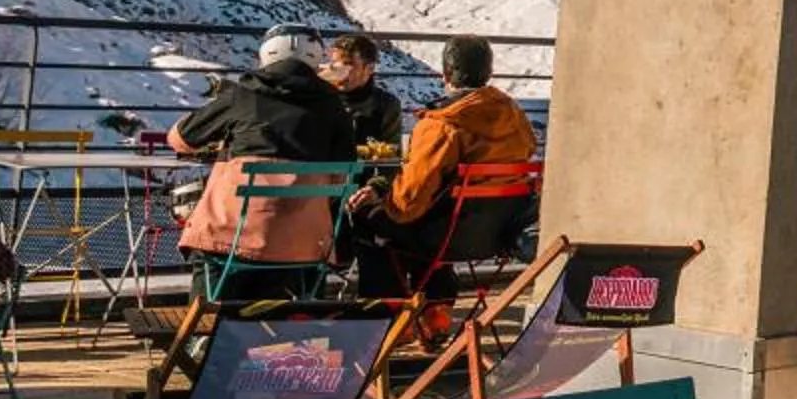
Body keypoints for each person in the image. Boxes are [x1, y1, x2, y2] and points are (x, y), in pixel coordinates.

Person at [341, 36, 535, 300]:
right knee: (429, 215)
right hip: (499, 232)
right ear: (489, 73)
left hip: (448, 235)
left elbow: (407, 202)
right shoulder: (515, 117)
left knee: (372, 219)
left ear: (445, 73)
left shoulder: (441, 125)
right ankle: (436, 310)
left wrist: (380, 195)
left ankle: (387, 313)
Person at [171, 25, 359, 296]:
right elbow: (342, 177)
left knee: (210, 244)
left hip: (231, 241)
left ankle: (203, 333)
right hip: (305, 247)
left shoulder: (242, 95)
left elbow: (180, 139)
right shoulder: (334, 107)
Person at [324, 33, 402, 150]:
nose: (340, 71)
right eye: (335, 64)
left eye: (349, 64)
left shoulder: (385, 105)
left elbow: (390, 158)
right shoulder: (320, 98)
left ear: (369, 69)